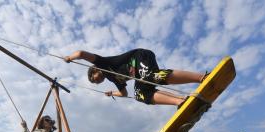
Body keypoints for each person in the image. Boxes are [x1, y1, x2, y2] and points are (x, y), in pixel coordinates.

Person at [64, 49, 208, 106]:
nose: (97, 81)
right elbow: (124, 93)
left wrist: (70, 57)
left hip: (139, 57)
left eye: (94, 79)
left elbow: (82, 54)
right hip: (140, 74)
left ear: (94, 70)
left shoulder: (102, 63)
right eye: (95, 83)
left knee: (151, 76)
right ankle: (181, 101)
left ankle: (201, 77)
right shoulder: (112, 79)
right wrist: (111, 93)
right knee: (140, 95)